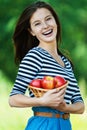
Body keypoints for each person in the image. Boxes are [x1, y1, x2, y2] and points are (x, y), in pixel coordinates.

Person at [9, 1, 85, 130]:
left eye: (48, 19)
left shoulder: (65, 62)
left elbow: (80, 105)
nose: (45, 26)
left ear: (56, 21)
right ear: (32, 31)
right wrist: (41, 101)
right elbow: (14, 98)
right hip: (44, 125)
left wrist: (65, 108)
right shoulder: (34, 56)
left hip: (65, 125)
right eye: (37, 24)